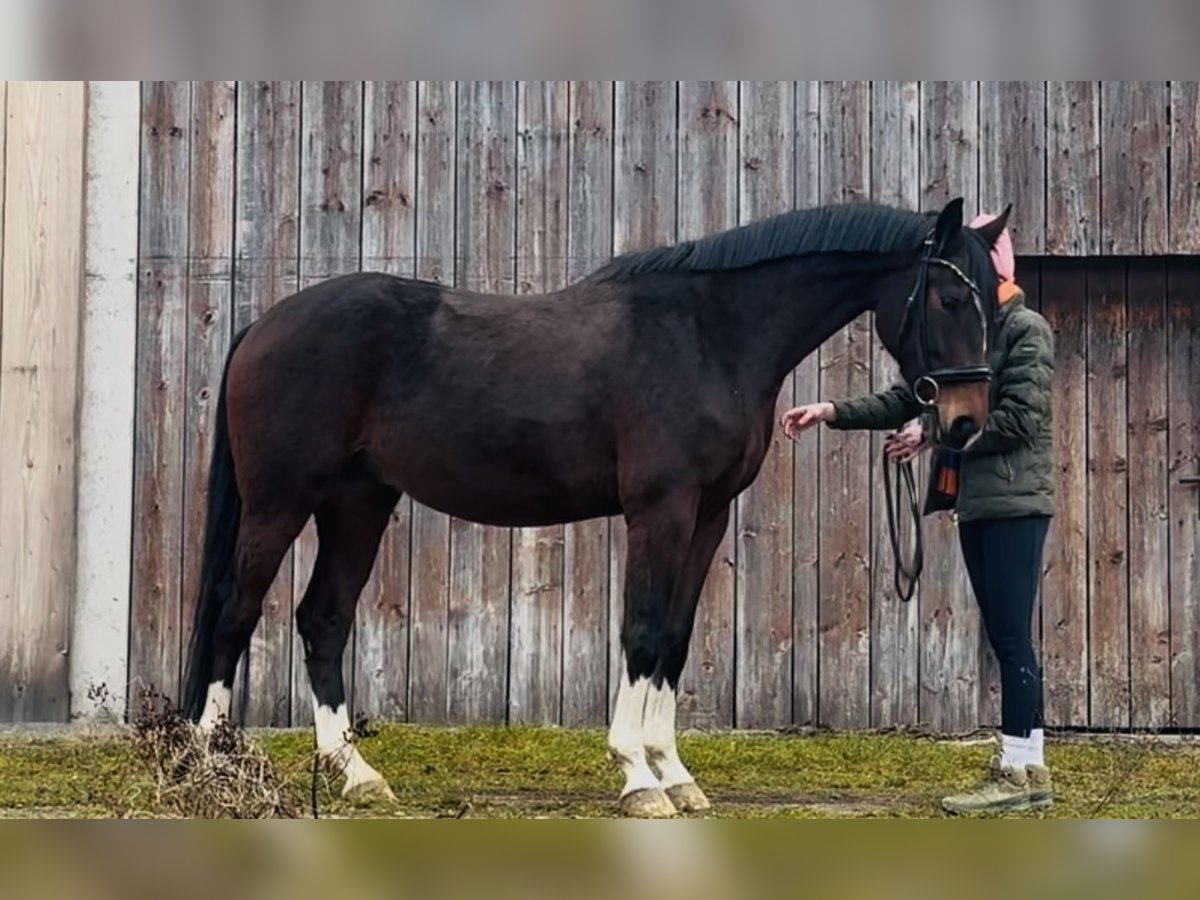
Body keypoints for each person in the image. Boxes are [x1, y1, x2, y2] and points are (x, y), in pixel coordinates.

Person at [781, 214, 1056, 815]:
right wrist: (834, 411)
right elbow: (916, 396)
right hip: (980, 503)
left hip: (1015, 503)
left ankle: (1020, 771)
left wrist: (932, 432)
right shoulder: (977, 334)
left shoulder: (1025, 331)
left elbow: (1020, 418)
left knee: (1011, 639)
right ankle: (1026, 765)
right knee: (1005, 637)